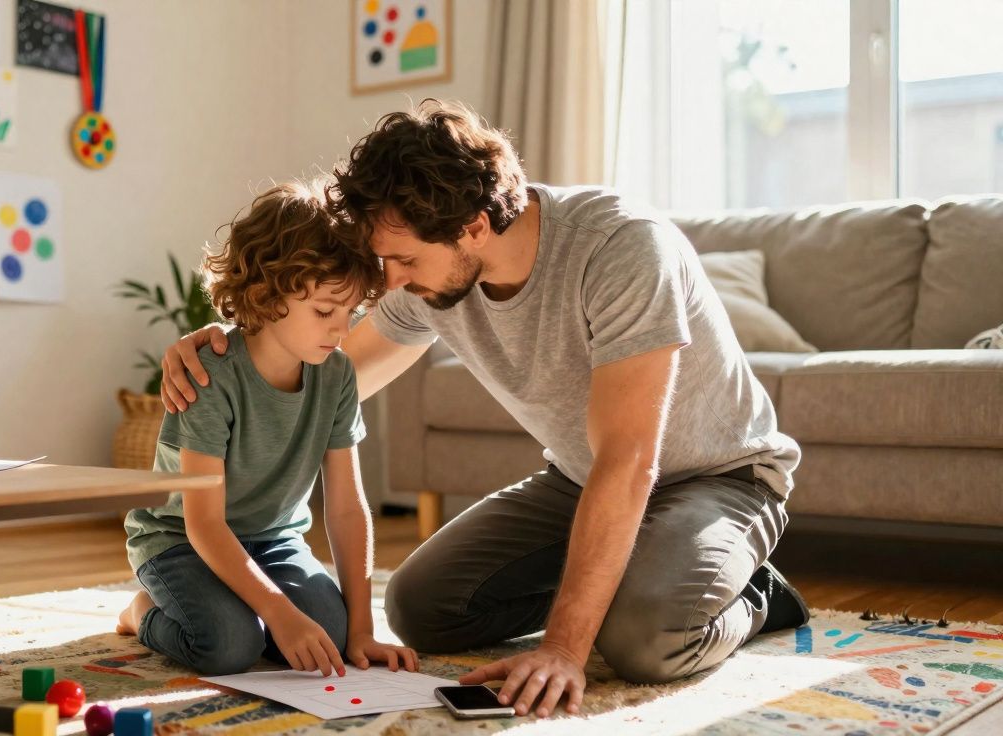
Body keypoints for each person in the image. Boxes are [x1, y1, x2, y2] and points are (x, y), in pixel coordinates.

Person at [160, 100, 809, 715]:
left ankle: (753, 593)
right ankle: (629, 576)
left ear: (473, 227)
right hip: (580, 481)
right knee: (423, 608)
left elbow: (631, 457)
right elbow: (326, 372)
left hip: (715, 477)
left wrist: (564, 646)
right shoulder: (430, 276)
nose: (389, 283)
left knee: (640, 641)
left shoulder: (620, 248)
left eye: (404, 261)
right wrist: (228, 349)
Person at [119, 181, 418, 677]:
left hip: (274, 539)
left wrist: (363, 629)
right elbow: (204, 524)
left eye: (351, 313)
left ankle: (275, 610)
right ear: (266, 292)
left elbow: (346, 506)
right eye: (325, 311)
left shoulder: (337, 373)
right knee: (229, 645)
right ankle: (140, 611)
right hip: (180, 541)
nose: (342, 331)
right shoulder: (210, 374)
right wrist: (278, 612)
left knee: (333, 637)